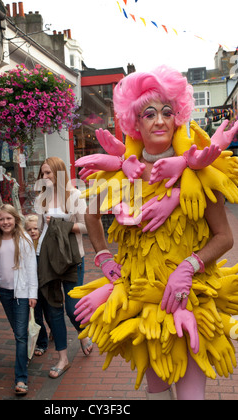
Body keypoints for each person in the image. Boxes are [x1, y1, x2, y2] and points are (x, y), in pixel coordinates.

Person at [71, 65, 238, 400]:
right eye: (149, 113)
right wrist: (104, 259)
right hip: (144, 304)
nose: (159, 120)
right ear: (136, 123)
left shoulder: (200, 172)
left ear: (177, 118)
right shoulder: (124, 175)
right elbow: (90, 214)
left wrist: (188, 267)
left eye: (167, 112)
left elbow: (225, 238)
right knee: (158, 392)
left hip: (191, 299)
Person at [34, 157, 93, 379]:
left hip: (71, 258)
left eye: (48, 173)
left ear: (59, 173)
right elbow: (39, 230)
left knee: (71, 307)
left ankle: (82, 332)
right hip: (46, 258)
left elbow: (87, 226)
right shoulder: (42, 198)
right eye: (43, 173)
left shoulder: (75, 196)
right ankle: (63, 358)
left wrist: (62, 226)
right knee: (54, 309)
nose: (45, 177)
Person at [0, 204, 38, 396]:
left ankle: (21, 378)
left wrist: (32, 294)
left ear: (15, 219)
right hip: (4, 292)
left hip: (21, 293)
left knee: (20, 335)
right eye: (2, 219)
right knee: (17, 330)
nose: (5, 222)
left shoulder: (24, 239)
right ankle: (26, 349)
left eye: (8, 218)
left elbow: (30, 269)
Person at [25, 214, 52, 356]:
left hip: (45, 285)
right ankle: (42, 343)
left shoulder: (45, 245)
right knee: (36, 315)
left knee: (50, 313)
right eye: (29, 229)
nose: (33, 231)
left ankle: (53, 330)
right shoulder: (25, 246)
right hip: (33, 289)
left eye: (35, 228)